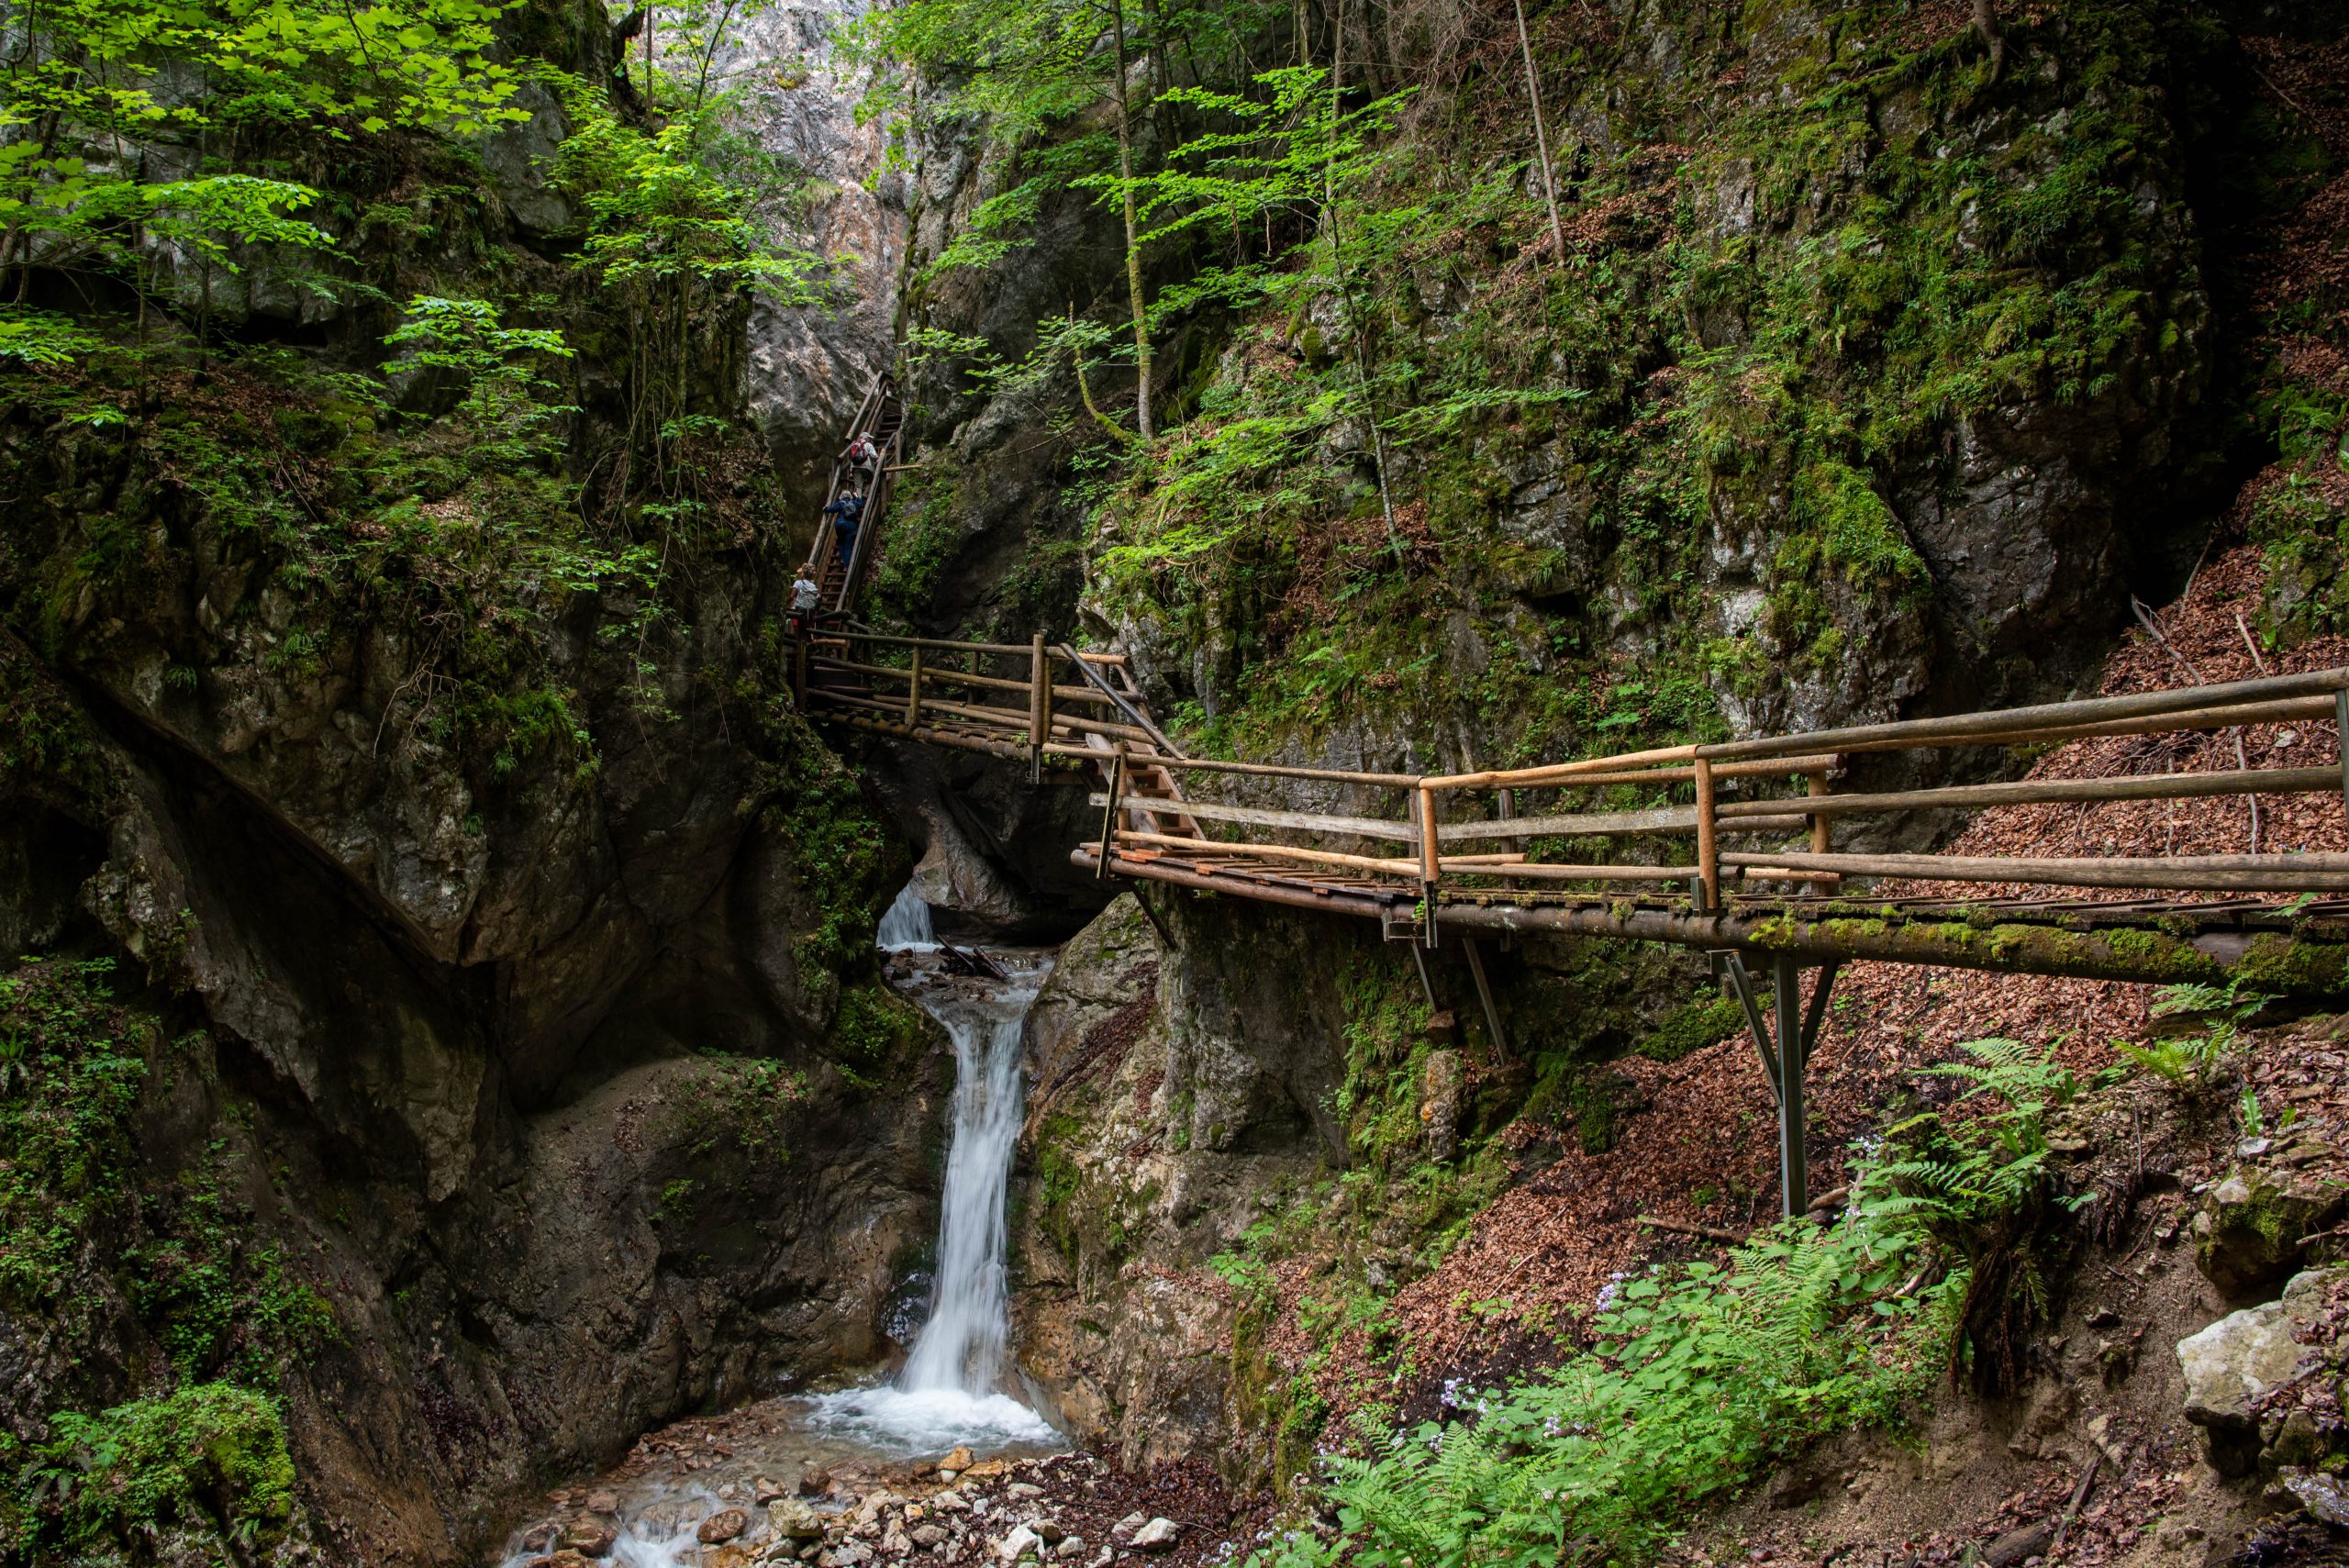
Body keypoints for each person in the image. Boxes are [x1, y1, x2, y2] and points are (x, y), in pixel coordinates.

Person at [823, 490, 864, 564]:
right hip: (851, 527)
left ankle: (843, 559)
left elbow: (831, 509)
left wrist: (826, 508)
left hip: (840, 525)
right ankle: (846, 565)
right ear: (850, 496)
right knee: (848, 546)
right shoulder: (854, 503)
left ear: (841, 497)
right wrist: (857, 496)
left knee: (841, 542)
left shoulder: (840, 503)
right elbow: (861, 504)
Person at [788, 563, 820, 638]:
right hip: (809, 612)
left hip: (797, 611)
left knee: (798, 631)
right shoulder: (813, 586)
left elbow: (792, 597)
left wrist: (784, 604)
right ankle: (807, 644)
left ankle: (799, 644)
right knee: (806, 631)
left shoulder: (798, 583)